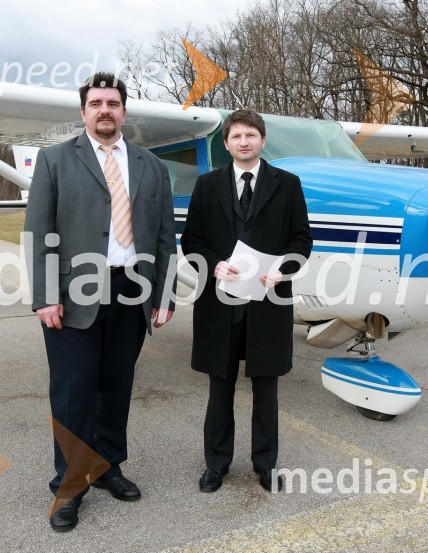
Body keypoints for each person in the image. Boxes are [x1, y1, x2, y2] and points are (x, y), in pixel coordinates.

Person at [24, 72, 176, 531]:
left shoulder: (151, 166)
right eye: (96, 103)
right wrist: (45, 296)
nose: (105, 110)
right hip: (74, 296)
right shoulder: (54, 161)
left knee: (117, 387)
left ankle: (108, 466)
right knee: (73, 394)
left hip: (133, 290)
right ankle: (69, 486)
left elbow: (166, 236)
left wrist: (164, 294)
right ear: (84, 111)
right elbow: (38, 233)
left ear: (124, 111)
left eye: (113, 103)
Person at [180, 109, 312, 493]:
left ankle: (265, 464)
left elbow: (301, 240)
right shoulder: (207, 185)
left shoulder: (288, 184)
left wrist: (284, 268)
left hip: (268, 302)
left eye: (250, 135)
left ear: (262, 140)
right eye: (236, 136)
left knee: (266, 389)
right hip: (220, 304)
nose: (243, 142)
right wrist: (213, 264)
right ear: (226, 144)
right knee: (219, 389)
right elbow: (192, 240)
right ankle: (216, 465)